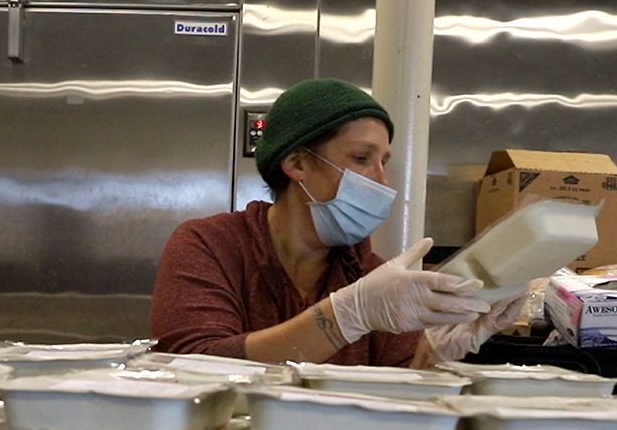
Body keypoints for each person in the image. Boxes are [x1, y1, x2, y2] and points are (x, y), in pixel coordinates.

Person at [150, 78, 524, 368]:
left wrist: (437, 351)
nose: (381, 180)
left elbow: (394, 396)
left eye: (384, 162)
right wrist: (345, 316)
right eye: (362, 158)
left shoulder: (368, 275)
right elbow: (191, 367)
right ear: (297, 163)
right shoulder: (209, 247)